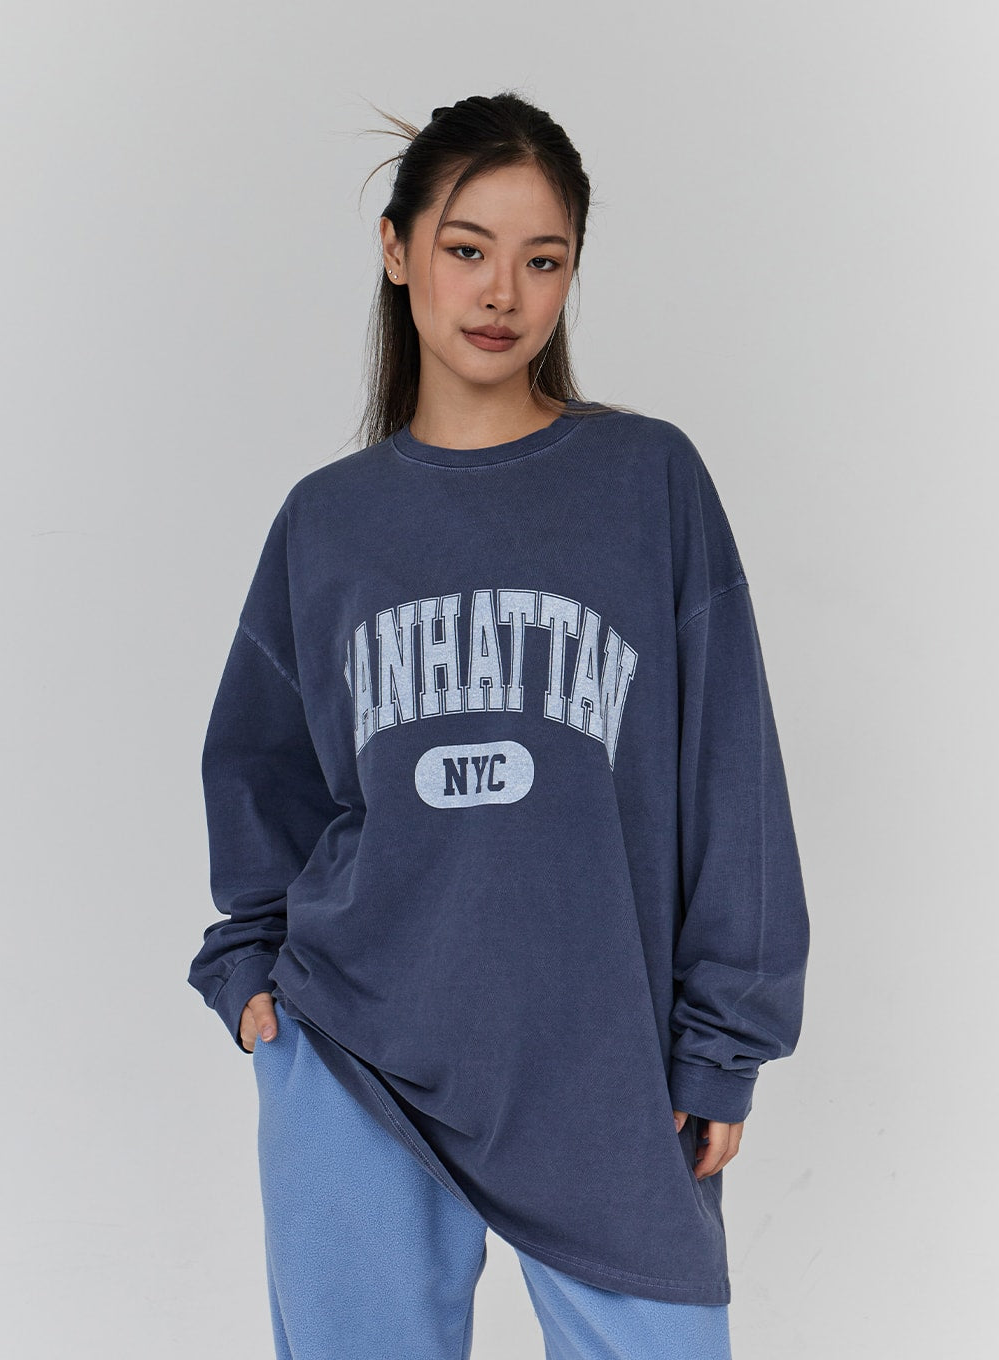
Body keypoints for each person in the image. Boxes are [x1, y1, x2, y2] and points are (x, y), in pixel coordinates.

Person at [187, 90, 810, 1360]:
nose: (501, 293)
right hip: (357, 1055)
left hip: (599, 1065)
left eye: (543, 260)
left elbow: (731, 776)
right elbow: (259, 767)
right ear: (395, 247)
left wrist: (721, 1047)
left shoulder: (647, 482)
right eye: (466, 247)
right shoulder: (327, 522)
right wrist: (251, 970)